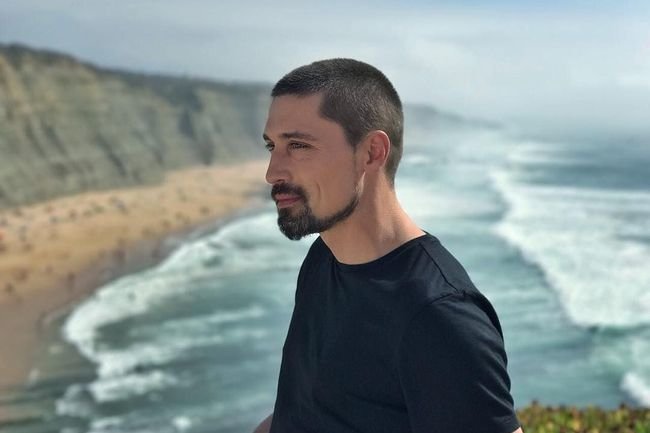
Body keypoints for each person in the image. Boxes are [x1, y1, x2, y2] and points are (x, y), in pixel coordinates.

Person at [254, 58, 523, 433]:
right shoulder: (325, 258)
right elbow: (306, 412)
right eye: (272, 146)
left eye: (298, 145)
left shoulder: (439, 317)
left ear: (371, 152)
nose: (272, 172)